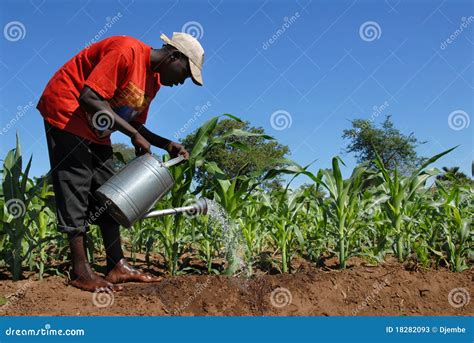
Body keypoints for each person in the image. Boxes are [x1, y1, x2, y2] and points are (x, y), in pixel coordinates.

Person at [37, 32, 205, 292]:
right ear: (174, 56)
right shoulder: (126, 50)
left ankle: (117, 265)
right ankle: (80, 271)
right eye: (185, 73)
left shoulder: (153, 83)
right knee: (76, 186)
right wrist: (133, 135)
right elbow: (89, 97)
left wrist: (165, 144)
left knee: (109, 190)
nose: (182, 81)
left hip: (96, 128)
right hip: (67, 111)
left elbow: (135, 122)